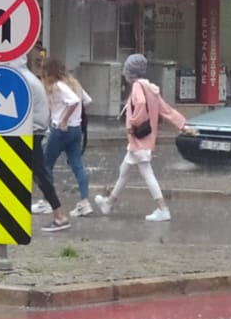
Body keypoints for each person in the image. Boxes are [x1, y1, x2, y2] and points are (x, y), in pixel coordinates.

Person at [94, 53, 188, 222]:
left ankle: (163, 209)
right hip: (142, 140)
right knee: (125, 171)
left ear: (131, 72)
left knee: (147, 173)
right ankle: (108, 203)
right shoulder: (151, 87)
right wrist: (182, 124)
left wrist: (133, 125)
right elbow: (166, 110)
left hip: (139, 140)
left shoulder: (138, 86)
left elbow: (141, 104)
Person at [19, 55, 71, 232]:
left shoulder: (23, 80)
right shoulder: (30, 79)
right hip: (34, 131)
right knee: (34, 173)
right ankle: (56, 214)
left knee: (39, 174)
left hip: (31, 132)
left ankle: (59, 215)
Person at [42, 58, 92, 218]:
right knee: (78, 166)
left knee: (46, 165)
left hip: (61, 130)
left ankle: (47, 202)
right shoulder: (73, 83)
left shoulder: (58, 86)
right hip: (76, 130)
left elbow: (74, 101)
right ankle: (85, 202)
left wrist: (64, 119)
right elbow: (87, 101)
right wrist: (75, 117)